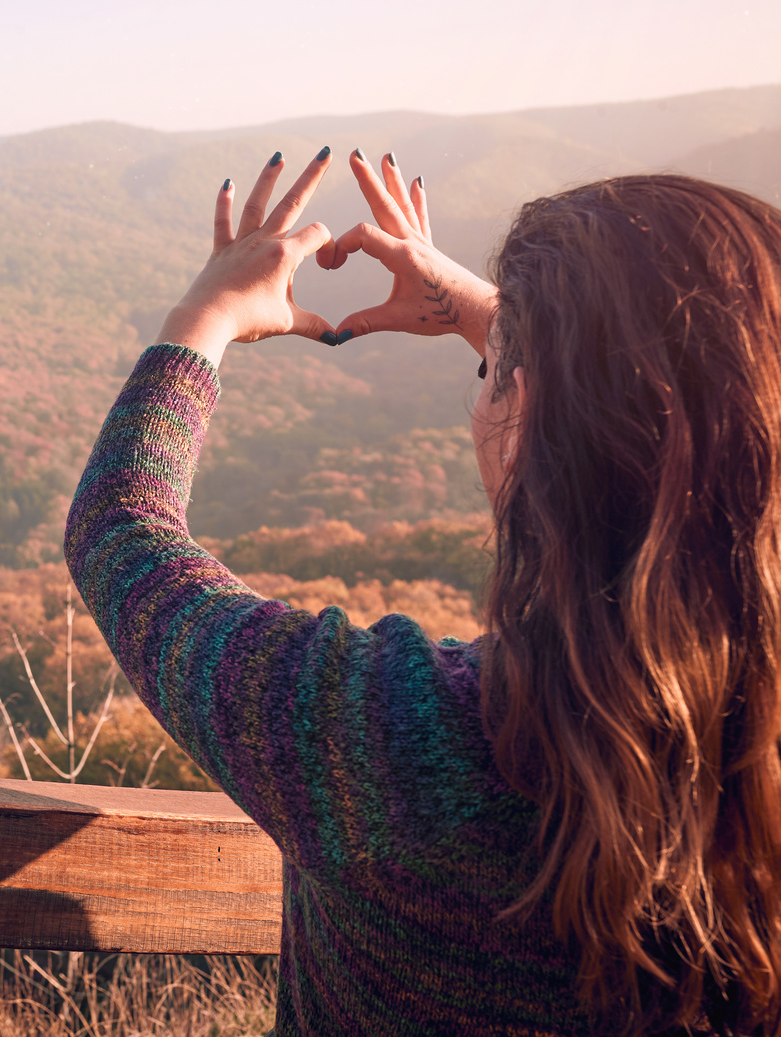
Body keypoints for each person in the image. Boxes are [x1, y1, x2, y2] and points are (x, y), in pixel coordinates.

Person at [64, 146, 781, 1035]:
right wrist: (502, 329)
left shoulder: (385, 740)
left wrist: (201, 314)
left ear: (521, 413)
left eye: (496, 378)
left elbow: (119, 527)